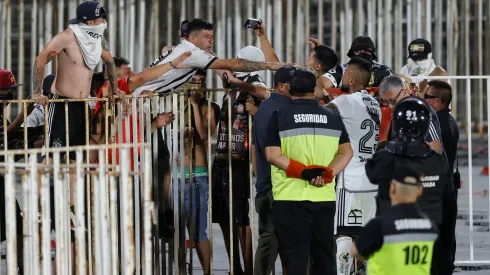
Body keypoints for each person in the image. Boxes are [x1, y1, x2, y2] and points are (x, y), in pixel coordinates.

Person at [265, 69, 353, 275]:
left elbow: (272, 155)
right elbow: (347, 153)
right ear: (314, 89)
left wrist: (304, 173)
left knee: (296, 258)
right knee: (324, 256)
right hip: (324, 198)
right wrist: (327, 174)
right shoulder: (332, 116)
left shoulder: (279, 117)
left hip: (290, 198)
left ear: (289, 89)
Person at [365, 96, 457, 274]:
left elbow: (371, 173)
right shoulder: (438, 162)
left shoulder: (385, 157)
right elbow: (449, 208)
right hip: (431, 241)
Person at [32, 1, 124, 155]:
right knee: (53, 156)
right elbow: (40, 60)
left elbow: (109, 61)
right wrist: (37, 93)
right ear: (91, 21)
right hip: (62, 102)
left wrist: (116, 90)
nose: (104, 22)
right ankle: (41, 179)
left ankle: (74, 179)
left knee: (78, 156)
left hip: (83, 103)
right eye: (102, 19)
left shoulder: (97, 39)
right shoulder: (66, 37)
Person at [212, 46, 269, 275]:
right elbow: (217, 67)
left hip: (239, 161)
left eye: (239, 60)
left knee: (240, 219)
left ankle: (247, 268)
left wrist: (237, 81)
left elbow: (263, 92)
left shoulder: (253, 81)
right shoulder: (235, 80)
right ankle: (234, 267)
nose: (234, 63)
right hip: (221, 158)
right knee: (225, 219)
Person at [325, 57, 381, 275]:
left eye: (346, 72)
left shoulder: (346, 101)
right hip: (371, 179)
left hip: (351, 179)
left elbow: (321, 113)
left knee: (344, 234)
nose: (343, 76)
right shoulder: (373, 103)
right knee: (367, 233)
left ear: (353, 79)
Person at [132, 18, 289, 95]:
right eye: (206, 36)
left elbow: (226, 73)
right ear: (193, 39)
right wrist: (269, 65)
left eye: (211, 36)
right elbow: (233, 65)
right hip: (137, 101)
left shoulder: (186, 49)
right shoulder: (192, 53)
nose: (211, 40)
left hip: (142, 98)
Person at [351, 165, 438, 275]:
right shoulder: (430, 227)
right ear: (419, 190)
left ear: (392, 188)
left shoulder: (379, 226)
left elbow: (355, 252)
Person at [252, 66, 295, 275]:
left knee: (268, 243)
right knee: (291, 246)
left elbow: (254, 148)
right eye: (292, 84)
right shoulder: (288, 110)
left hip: (265, 185)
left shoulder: (263, 109)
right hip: (282, 187)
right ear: (280, 86)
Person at [176, 69, 219, 274]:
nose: (196, 85)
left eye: (201, 82)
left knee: (199, 231)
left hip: (198, 174)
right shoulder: (173, 105)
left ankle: (208, 271)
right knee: (176, 232)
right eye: (193, 80)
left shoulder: (208, 108)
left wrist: (193, 105)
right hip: (177, 174)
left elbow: (203, 135)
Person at [379, 75, 444, 154]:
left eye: (392, 101)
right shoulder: (398, 112)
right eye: (385, 102)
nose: (390, 106)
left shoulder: (421, 110)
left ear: (403, 92)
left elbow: (436, 150)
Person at [320, 36, 394, 90]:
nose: (362, 54)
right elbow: (321, 83)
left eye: (366, 51)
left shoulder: (382, 70)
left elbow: (399, 85)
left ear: (372, 54)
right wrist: (326, 94)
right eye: (358, 51)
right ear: (352, 53)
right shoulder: (341, 70)